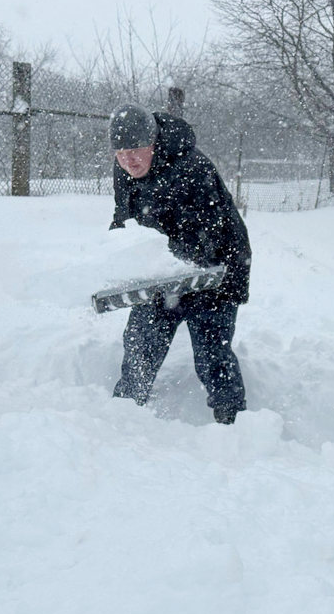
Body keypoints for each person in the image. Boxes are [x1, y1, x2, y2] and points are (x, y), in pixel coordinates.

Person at [107, 103, 251, 424]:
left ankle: (234, 424)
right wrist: (119, 257)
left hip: (216, 270)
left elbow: (208, 235)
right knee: (141, 343)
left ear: (154, 144)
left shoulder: (192, 169)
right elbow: (125, 224)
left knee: (212, 353)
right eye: (121, 152)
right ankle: (122, 415)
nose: (129, 159)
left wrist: (164, 265)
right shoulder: (124, 172)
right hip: (161, 272)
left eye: (137, 150)